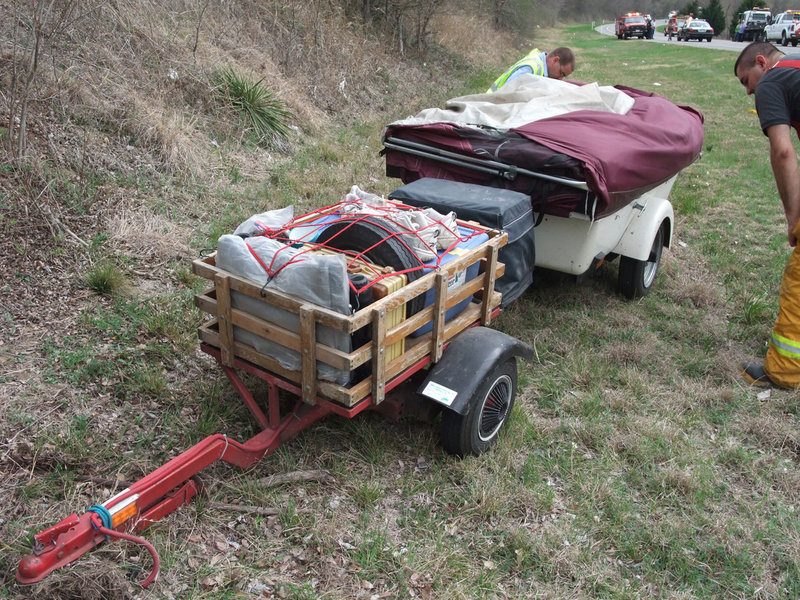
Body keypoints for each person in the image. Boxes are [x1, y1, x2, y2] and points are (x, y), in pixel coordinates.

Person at [734, 42, 800, 388]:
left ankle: (784, 372)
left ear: (762, 62)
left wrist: (794, 217)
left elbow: (783, 151)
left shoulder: (773, 81)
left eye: (747, 80)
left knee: (799, 280)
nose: (749, 91)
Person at [486, 47, 575, 93]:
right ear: (555, 60)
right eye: (561, 73)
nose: (560, 79)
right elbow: (505, 93)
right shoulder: (530, 68)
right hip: (489, 108)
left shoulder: (539, 66)